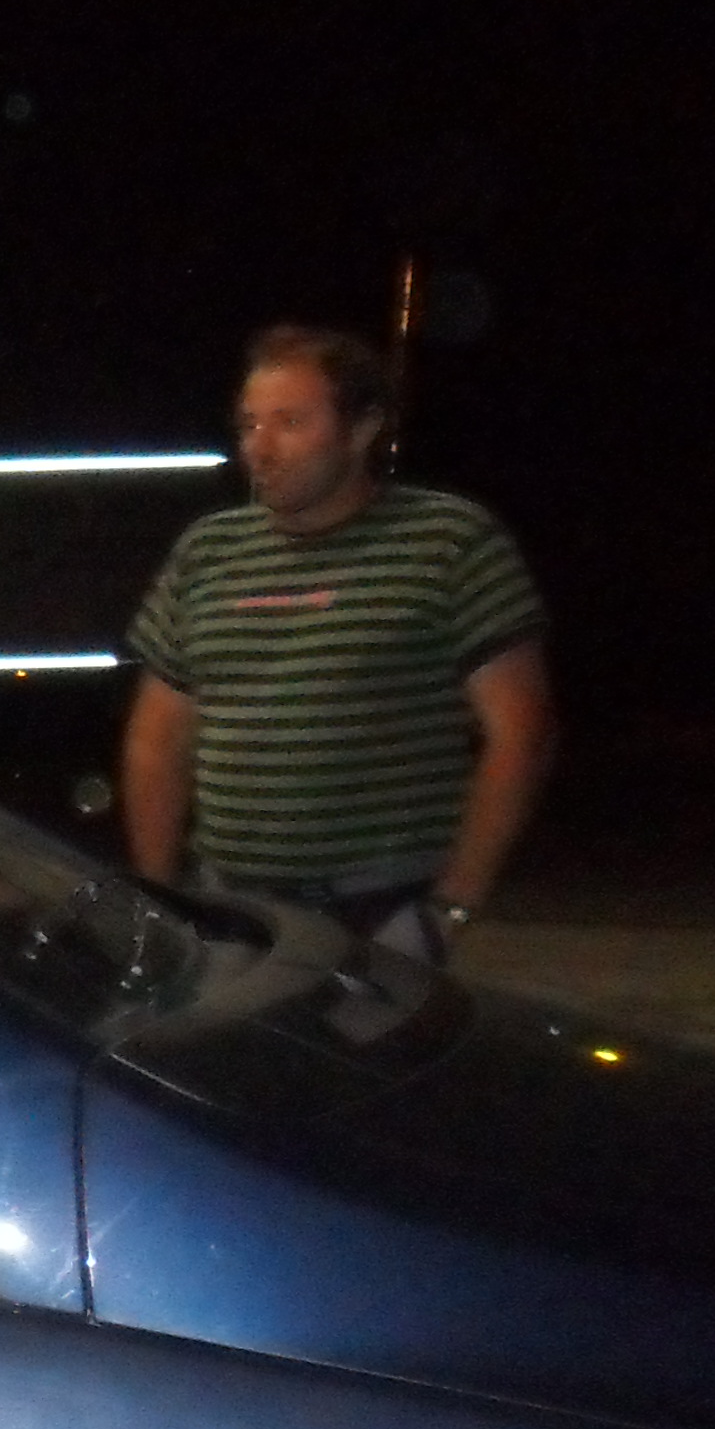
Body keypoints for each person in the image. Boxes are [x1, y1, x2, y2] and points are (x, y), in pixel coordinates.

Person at [120, 322, 555, 959]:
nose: (260, 448)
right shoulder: (208, 549)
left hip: (382, 910)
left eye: (290, 423)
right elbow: (158, 738)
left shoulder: (449, 541)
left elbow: (521, 733)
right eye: (249, 424)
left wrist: (447, 910)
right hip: (233, 910)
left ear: (362, 429)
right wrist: (159, 901)